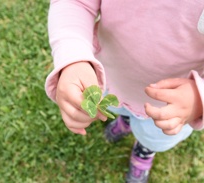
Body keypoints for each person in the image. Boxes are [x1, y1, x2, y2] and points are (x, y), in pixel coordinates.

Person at [45, 1, 204, 182]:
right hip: (110, 78)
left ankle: (145, 150)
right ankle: (127, 119)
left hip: (171, 107)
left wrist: (199, 99)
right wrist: (73, 58)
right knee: (117, 108)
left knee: (152, 137)